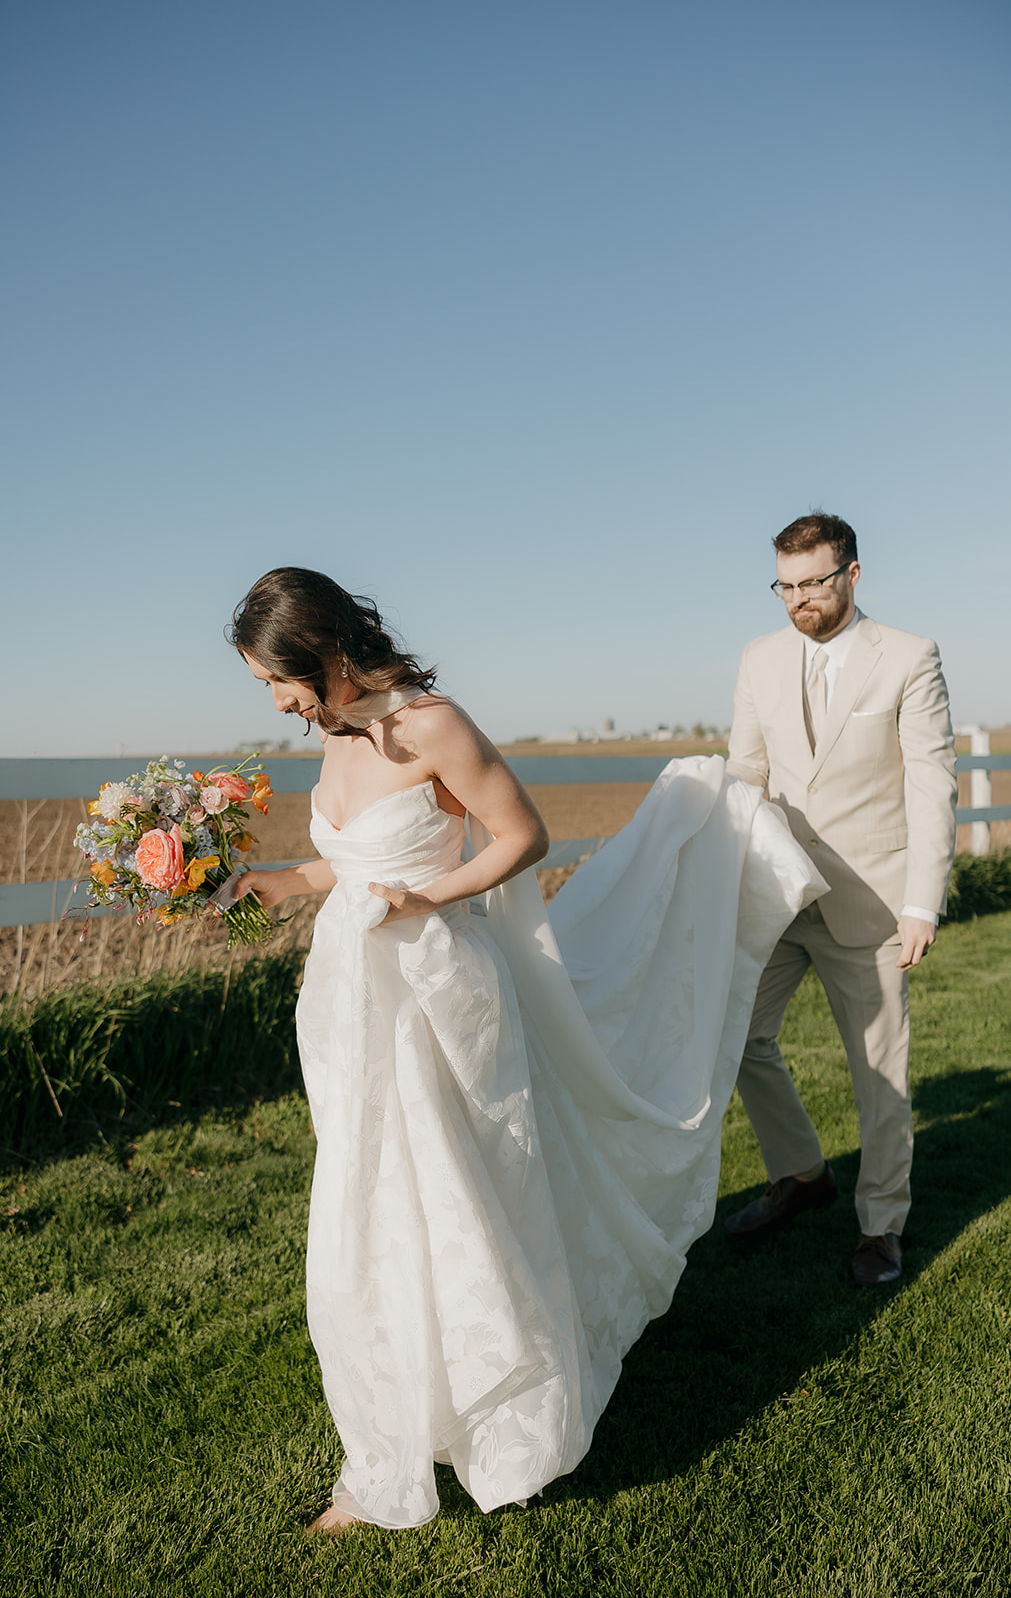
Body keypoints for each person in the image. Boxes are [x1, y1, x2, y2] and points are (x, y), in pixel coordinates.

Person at [228, 565, 826, 1532]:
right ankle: (394, 1434)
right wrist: (269, 882)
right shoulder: (336, 738)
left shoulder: (431, 724)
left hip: (437, 990)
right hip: (352, 1000)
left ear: (324, 651)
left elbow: (522, 837)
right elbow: (341, 864)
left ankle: (502, 1421)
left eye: (274, 678)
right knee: (370, 1205)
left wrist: (429, 899)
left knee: (462, 1195)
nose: (275, 699)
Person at [723, 514, 958, 1286]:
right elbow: (745, 777)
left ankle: (880, 1226)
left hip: (872, 903)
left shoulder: (909, 657)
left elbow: (930, 784)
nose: (798, 600)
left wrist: (920, 903)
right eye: (784, 587)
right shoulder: (757, 659)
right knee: (739, 1039)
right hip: (781, 899)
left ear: (851, 576)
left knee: (879, 1076)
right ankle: (800, 1175)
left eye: (813, 583)